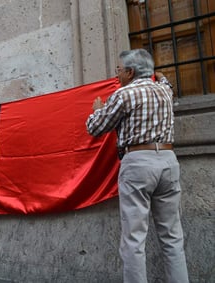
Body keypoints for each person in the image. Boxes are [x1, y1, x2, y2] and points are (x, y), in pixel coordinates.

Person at [86, 49, 189, 283]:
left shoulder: (124, 95)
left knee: (134, 240)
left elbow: (96, 128)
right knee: (172, 237)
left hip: (138, 163)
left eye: (119, 70)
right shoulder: (164, 91)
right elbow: (167, 83)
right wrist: (161, 76)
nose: (117, 75)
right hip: (167, 160)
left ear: (131, 72)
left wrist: (96, 111)